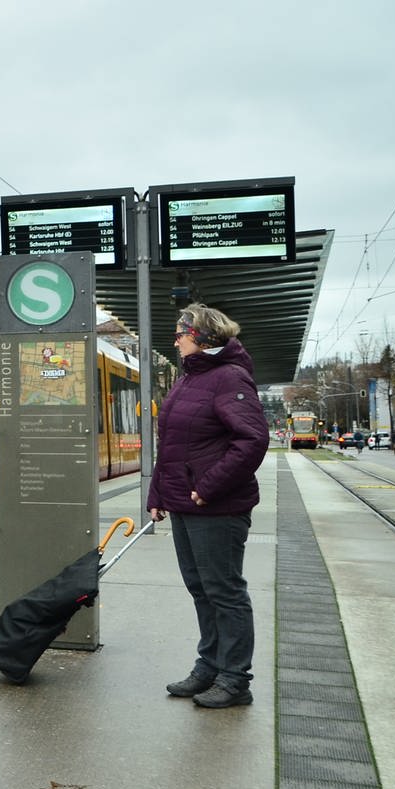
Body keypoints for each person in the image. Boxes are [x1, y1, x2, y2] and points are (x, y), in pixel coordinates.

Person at [148, 304, 269, 709]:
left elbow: (252, 440)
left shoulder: (230, 377)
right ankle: (209, 667)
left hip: (218, 507)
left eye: (180, 333)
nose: (176, 339)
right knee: (201, 589)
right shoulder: (189, 378)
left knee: (225, 591)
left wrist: (209, 486)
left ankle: (235, 680)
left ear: (201, 336)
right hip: (185, 504)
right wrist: (158, 495)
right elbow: (174, 445)